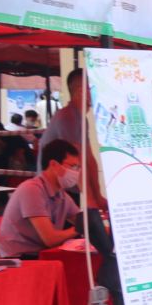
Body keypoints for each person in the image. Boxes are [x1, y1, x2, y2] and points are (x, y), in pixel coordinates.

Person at [0, 139, 81, 258]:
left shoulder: (61, 195)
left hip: (40, 255)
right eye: (73, 166)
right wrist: (80, 228)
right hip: (19, 259)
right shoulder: (31, 190)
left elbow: (84, 220)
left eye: (78, 168)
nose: (76, 172)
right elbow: (50, 239)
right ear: (54, 164)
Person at [40, 69, 103, 206]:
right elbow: (77, 161)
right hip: (51, 191)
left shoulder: (81, 119)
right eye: (93, 89)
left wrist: (98, 197)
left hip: (66, 188)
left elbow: (89, 158)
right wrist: (91, 201)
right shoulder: (67, 117)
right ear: (82, 91)